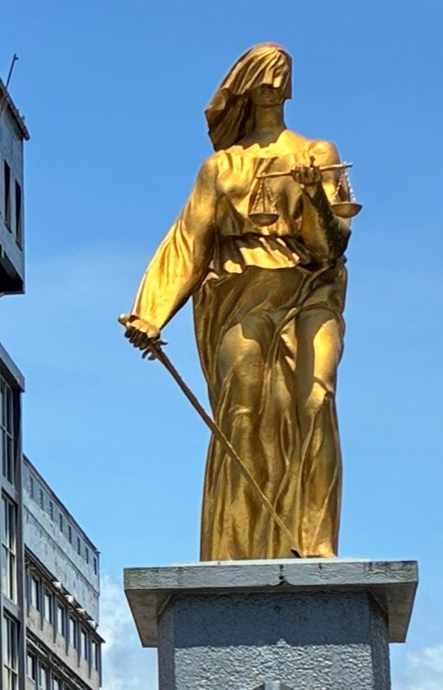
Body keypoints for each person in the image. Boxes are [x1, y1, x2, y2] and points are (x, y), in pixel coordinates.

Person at [119, 42, 357, 560]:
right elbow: (190, 242)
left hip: (309, 288)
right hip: (237, 293)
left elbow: (331, 246)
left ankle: (315, 542)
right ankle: (236, 548)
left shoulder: (317, 153)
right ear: (244, 85)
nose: (272, 82)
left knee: (316, 400)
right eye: (262, 73)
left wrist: (314, 196)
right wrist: (151, 314)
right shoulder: (220, 168)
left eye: (280, 72)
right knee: (241, 410)